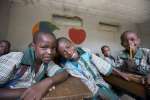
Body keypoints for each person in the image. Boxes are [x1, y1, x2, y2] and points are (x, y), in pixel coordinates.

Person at [0, 32, 68, 100]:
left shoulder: (46, 62)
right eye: (44, 47)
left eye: (53, 48)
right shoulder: (15, 59)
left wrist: (46, 83)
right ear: (33, 46)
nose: (49, 52)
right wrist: (30, 91)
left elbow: (64, 73)